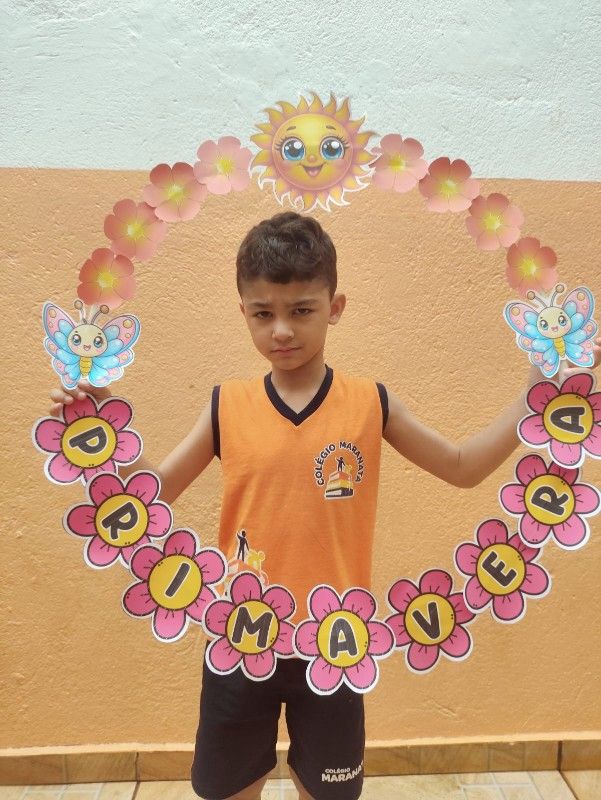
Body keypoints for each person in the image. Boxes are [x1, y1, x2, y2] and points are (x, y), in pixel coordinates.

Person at [49, 211, 600, 800]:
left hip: (337, 643)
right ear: (243, 313)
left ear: (335, 307)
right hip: (237, 638)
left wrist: (537, 391)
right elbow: (149, 496)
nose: (282, 330)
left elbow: (463, 467)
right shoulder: (225, 405)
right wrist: (102, 426)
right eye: (264, 314)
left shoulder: (371, 402)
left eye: (302, 310)